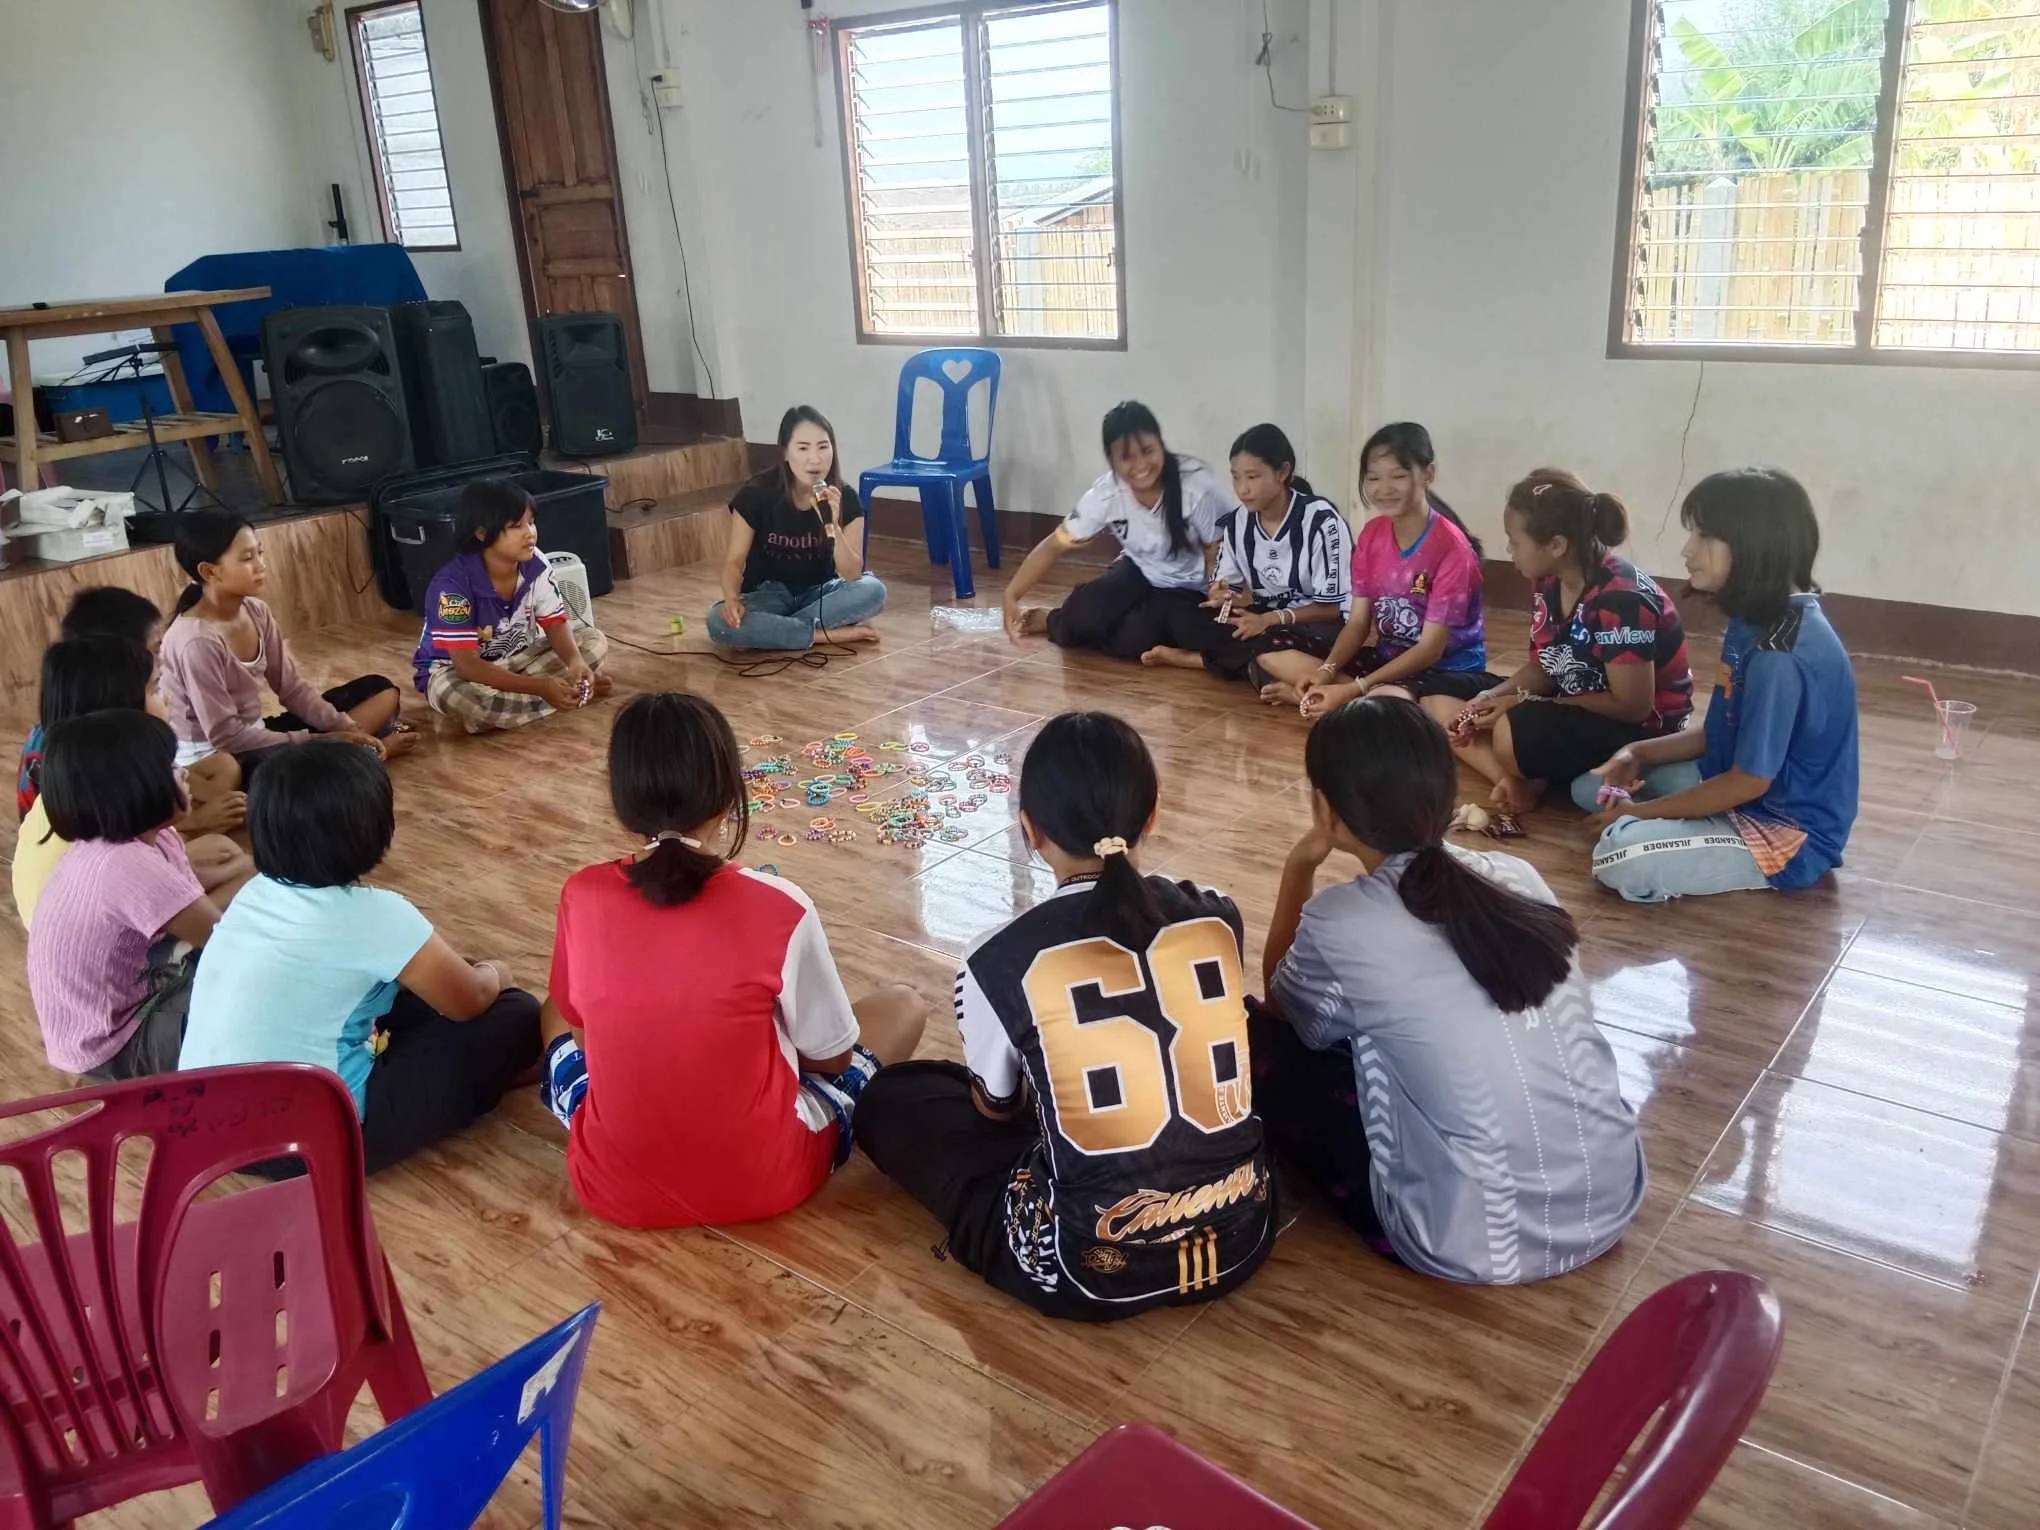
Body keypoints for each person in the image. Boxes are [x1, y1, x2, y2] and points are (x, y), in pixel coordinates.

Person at [857, 712, 1274, 1320]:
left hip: (1087, 1270)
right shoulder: (1219, 915)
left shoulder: (994, 959)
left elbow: (994, 1114)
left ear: (1029, 830)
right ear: (1151, 816)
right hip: (1241, 1233)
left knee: (897, 1096)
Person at [1259, 696, 1645, 1282]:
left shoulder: (1342, 921)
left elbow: (1279, 1007)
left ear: (1328, 811)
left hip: (1471, 1242)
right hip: (1610, 1195)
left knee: (1265, 1047)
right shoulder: (1518, 875)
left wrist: (1299, 868)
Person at [537, 692, 928, 1226]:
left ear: (623, 805)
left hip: (611, 1185)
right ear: (728, 801)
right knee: (904, 1006)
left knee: (554, 1009)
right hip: (768, 1179)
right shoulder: (780, 906)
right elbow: (833, 1059)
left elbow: (586, 1038)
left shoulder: (580, 894)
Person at [179, 744, 542, 1173]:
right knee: (515, 1013)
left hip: (206, 1125)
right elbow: (472, 1002)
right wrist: (493, 971)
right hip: (305, 1145)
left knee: (399, 993)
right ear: (375, 831)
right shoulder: (378, 914)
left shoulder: (253, 893)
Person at [1585, 468, 1859, 902]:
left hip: (1782, 831)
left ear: (1755, 547)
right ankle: (1661, 825)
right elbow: (1718, 735)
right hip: (1738, 790)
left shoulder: (1778, 655)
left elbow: (1748, 782)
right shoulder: (1753, 621)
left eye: (1704, 536)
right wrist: (1636, 752)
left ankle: (1664, 833)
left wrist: (1641, 813)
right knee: (1592, 789)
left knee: (1621, 857)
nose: (1687, 550)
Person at [1442, 469, 1693, 815]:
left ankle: (1529, 774)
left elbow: (1632, 706)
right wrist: (1490, 697)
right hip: (1572, 700)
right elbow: (1545, 665)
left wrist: (1521, 703)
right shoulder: (1548, 580)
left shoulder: (1621, 598)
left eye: (1514, 542)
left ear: (1557, 545)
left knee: (1511, 731)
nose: (1509, 550)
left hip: (1639, 729)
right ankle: (1519, 777)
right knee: (1442, 696)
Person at [25, 711, 234, 1080]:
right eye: (170, 766)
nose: (184, 771)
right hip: (112, 1045)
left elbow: (195, 904)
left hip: (136, 1003)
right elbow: (226, 939)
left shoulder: (152, 837)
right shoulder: (125, 863)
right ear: (134, 788)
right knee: (246, 999)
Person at [1255, 422, 1498, 714]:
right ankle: (1351, 701)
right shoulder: (1371, 535)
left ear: (1428, 474)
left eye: (1398, 476)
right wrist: (1326, 673)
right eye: (1373, 478)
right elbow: (1358, 623)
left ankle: (1349, 701)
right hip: (1386, 661)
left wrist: (1354, 687)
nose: (1384, 489)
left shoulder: (1453, 549)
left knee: (1391, 703)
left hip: (1443, 671)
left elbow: (1430, 649)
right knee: (1271, 647)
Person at [13, 637, 251, 929]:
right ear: (122, 710)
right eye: (155, 688)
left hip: (69, 909)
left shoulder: (86, 767)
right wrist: (201, 818)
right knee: (243, 870)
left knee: (226, 850)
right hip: (86, 924)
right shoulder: (111, 809)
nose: (165, 697)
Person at [157, 512, 412, 783]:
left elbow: (290, 687)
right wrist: (322, 740)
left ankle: (354, 751)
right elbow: (225, 736)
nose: (261, 565)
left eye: (260, 553)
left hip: (256, 734)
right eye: (247, 558)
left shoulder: (256, 611)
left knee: (380, 690)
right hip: (216, 758)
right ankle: (361, 755)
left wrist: (345, 726)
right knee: (299, 777)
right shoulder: (196, 641)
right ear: (209, 571)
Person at [1000, 402, 1234, 660]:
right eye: (1126, 457)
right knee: (1082, 613)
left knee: (1133, 640)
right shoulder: (1105, 495)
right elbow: (1055, 544)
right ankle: (1055, 619)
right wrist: (1012, 594)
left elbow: (1219, 547)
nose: (1141, 464)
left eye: (1147, 451)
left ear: (1161, 444)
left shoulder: (1196, 487)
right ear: (1112, 460)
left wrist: (1216, 587)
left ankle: (1154, 635)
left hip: (1189, 587)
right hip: (1137, 570)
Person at [1136, 423, 1351, 682]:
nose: (1242, 489)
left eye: (1252, 477)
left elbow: (1330, 609)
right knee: (1184, 615)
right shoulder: (1238, 522)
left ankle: (1199, 660)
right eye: (1236, 477)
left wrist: (1270, 620)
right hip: (1264, 616)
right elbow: (1229, 586)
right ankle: (1275, 669)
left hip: (1318, 624)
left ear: (1282, 472)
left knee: (1266, 644)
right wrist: (1223, 594)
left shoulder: (1321, 520)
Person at [15, 585, 233, 820]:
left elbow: (163, 771)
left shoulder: (96, 711)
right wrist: (198, 821)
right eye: (155, 650)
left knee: (224, 766)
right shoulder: (96, 748)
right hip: (90, 839)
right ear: (119, 659)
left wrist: (210, 797)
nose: (162, 663)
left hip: (118, 820)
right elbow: (108, 827)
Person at [414, 478, 613, 730]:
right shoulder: (452, 587)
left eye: (530, 522)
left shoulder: (536, 563)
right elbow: (466, 665)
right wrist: (541, 687)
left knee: (593, 641)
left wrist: (575, 663)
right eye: (516, 526)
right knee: (459, 698)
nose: (529, 533)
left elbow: (554, 624)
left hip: (519, 661)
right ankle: (561, 696)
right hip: (459, 674)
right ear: (482, 532)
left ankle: (519, 706)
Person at [707, 406, 887, 651]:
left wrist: (832, 524)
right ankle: (825, 635)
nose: (815, 458)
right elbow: (734, 562)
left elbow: (853, 574)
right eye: (803, 448)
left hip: (821, 593)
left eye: (823, 446)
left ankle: (774, 632)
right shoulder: (756, 494)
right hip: (768, 593)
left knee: (874, 591)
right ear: (785, 452)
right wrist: (731, 600)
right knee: (717, 621)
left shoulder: (846, 498)